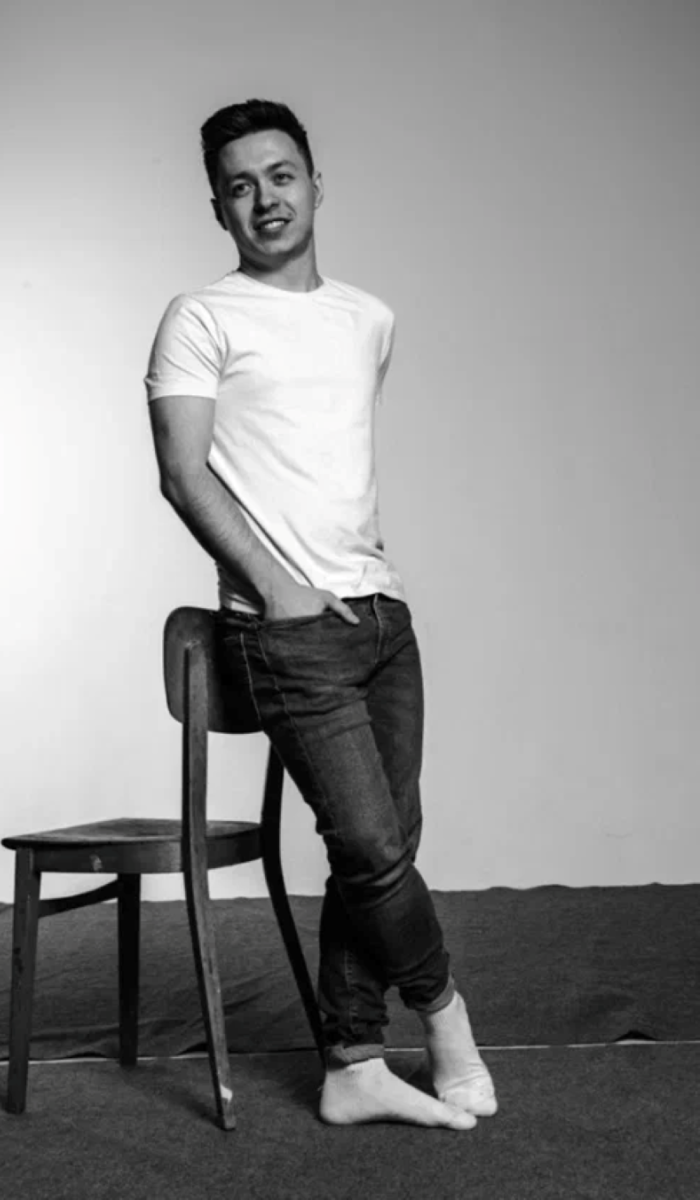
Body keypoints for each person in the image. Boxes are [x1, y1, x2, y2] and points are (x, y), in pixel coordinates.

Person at [145, 98, 497, 1130]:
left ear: (314, 183)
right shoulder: (200, 317)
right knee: (373, 849)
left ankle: (351, 1063)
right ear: (219, 207)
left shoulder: (367, 318)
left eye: (281, 175)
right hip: (286, 627)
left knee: (382, 845)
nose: (265, 198)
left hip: (381, 618)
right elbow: (182, 472)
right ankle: (448, 1024)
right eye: (240, 186)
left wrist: (355, 587)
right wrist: (277, 588)